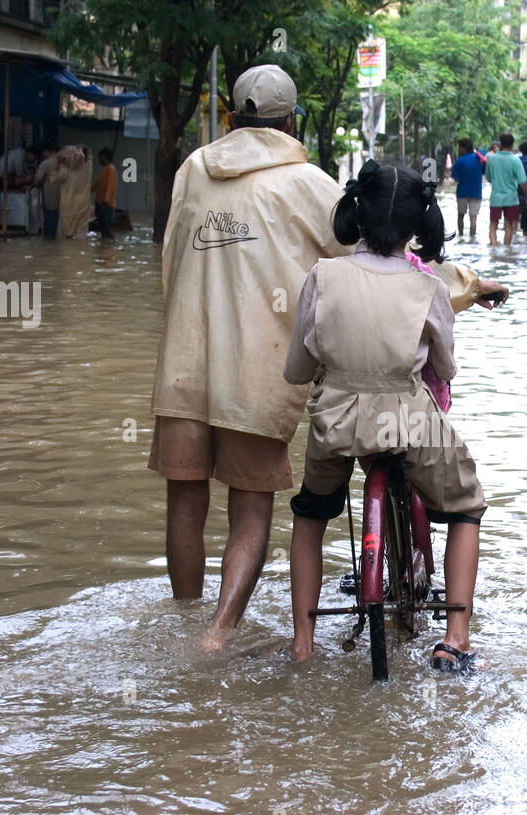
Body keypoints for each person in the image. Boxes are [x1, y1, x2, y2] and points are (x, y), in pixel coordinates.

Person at [149, 65, 503, 652]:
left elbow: (169, 265)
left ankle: (189, 624)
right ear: (291, 123)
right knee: (250, 505)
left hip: (183, 361)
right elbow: (385, 268)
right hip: (251, 377)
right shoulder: (306, 183)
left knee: (184, 497)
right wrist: (469, 283)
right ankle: (216, 635)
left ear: (233, 117)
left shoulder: (191, 169)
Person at [284, 160, 486, 672]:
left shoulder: (323, 276)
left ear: (356, 212)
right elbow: (444, 368)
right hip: (409, 423)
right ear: (418, 226)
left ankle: (303, 643)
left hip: (335, 424)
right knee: (465, 505)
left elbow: (297, 369)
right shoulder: (430, 287)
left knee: (310, 513)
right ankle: (456, 637)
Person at [484, 132, 527, 247]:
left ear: (500, 143)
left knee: (493, 224)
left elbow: (489, 177)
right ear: (512, 144)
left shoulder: (492, 159)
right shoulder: (515, 161)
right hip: (511, 198)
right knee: (509, 225)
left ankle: (494, 249)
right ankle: (507, 250)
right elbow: (522, 182)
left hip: (496, 197)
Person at [50, 144, 91, 239]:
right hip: (83, 206)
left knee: (66, 234)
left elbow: (52, 178)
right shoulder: (88, 168)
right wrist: (81, 148)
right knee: (81, 234)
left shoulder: (65, 171)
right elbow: (89, 155)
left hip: (68, 206)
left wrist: (58, 163)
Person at [450, 137, 485, 241]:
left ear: (463, 148)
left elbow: (455, 178)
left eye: (459, 147)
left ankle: (460, 236)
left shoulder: (460, 161)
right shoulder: (479, 159)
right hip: (476, 192)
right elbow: (483, 172)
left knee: (461, 215)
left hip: (462, 192)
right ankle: (472, 238)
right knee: (473, 217)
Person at [32, 143, 60, 239]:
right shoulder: (63, 162)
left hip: (50, 196)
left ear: (45, 152)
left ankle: (49, 240)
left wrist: (32, 185)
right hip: (63, 197)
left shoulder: (46, 163)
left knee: (49, 221)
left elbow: (37, 179)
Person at [92, 147, 118, 239]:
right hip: (100, 203)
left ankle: (112, 244)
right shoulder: (104, 170)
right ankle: (104, 248)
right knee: (103, 227)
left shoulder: (111, 169)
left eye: (100, 157)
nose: (99, 160)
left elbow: (110, 187)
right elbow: (96, 185)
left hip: (106, 204)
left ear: (105, 157)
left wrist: (105, 202)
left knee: (107, 227)